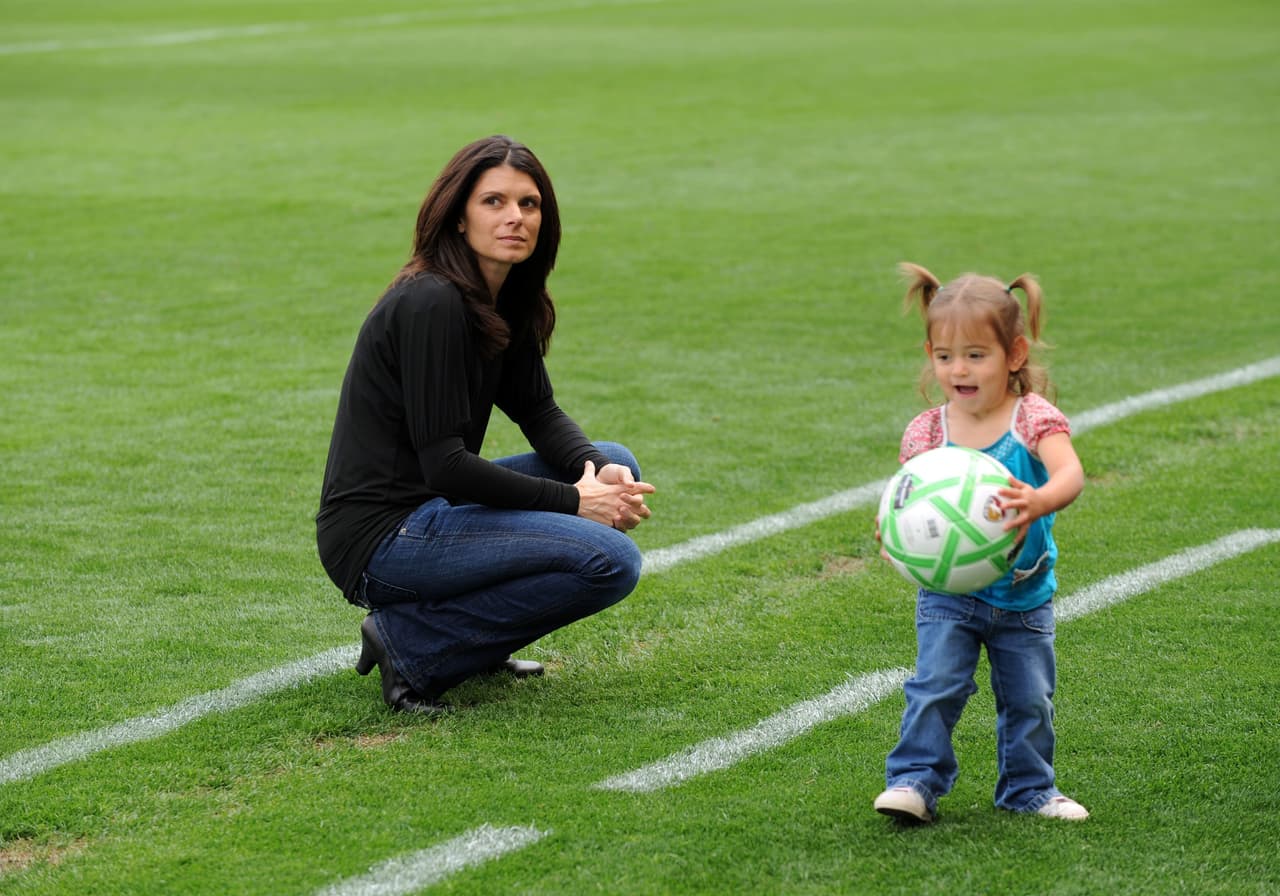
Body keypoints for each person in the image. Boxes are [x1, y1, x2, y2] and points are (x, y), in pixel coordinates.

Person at [316, 135, 655, 715]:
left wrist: (595, 471)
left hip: (434, 511)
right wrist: (576, 502)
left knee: (614, 459)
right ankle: (412, 644)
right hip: (382, 538)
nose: (514, 217)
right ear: (458, 216)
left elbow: (538, 411)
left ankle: (472, 641)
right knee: (611, 562)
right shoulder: (431, 302)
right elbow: (444, 465)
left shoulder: (505, 296)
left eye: (529, 203)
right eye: (493, 202)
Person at [873, 262, 1088, 823]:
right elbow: (907, 499)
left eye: (975, 354)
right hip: (948, 594)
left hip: (1023, 596)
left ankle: (1029, 789)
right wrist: (893, 533)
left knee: (1029, 700)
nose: (959, 369)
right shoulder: (928, 431)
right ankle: (914, 782)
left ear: (1014, 355)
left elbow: (1070, 474)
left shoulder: (1032, 419)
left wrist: (1039, 500)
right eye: (945, 356)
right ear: (930, 355)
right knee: (936, 686)